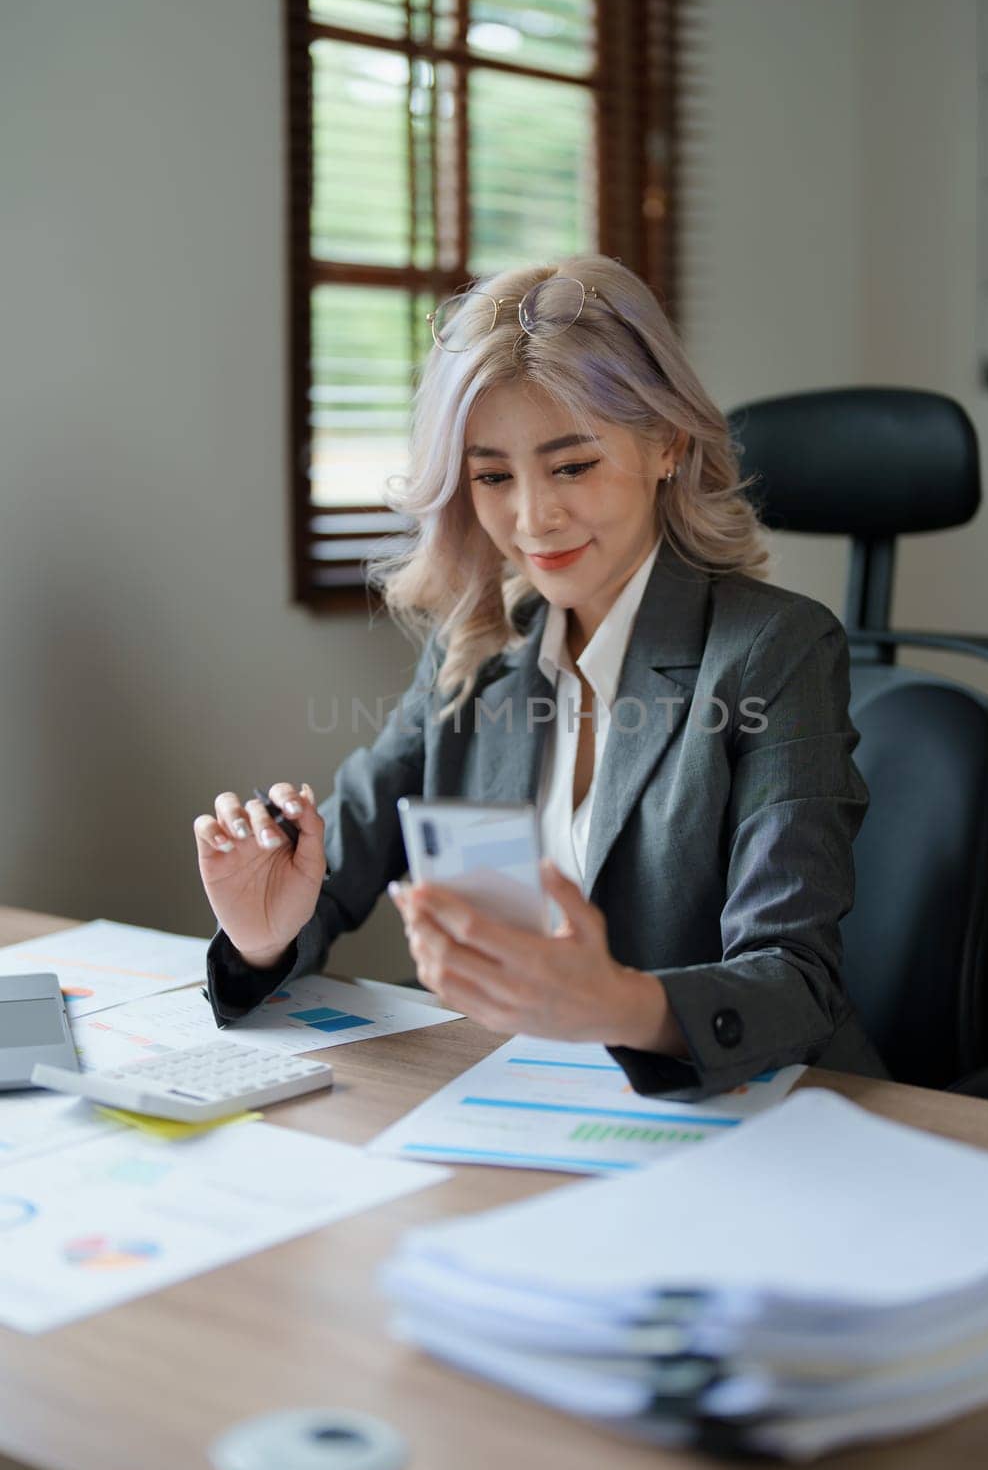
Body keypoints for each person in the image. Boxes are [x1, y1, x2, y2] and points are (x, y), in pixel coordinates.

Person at [194, 255, 885, 1098]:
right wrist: (265, 933)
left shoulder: (775, 648)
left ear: (666, 442)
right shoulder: (478, 645)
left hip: (745, 1114)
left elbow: (795, 979)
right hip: (524, 1095)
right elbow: (338, 861)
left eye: (572, 465)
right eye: (492, 476)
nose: (532, 518)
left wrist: (620, 1004)